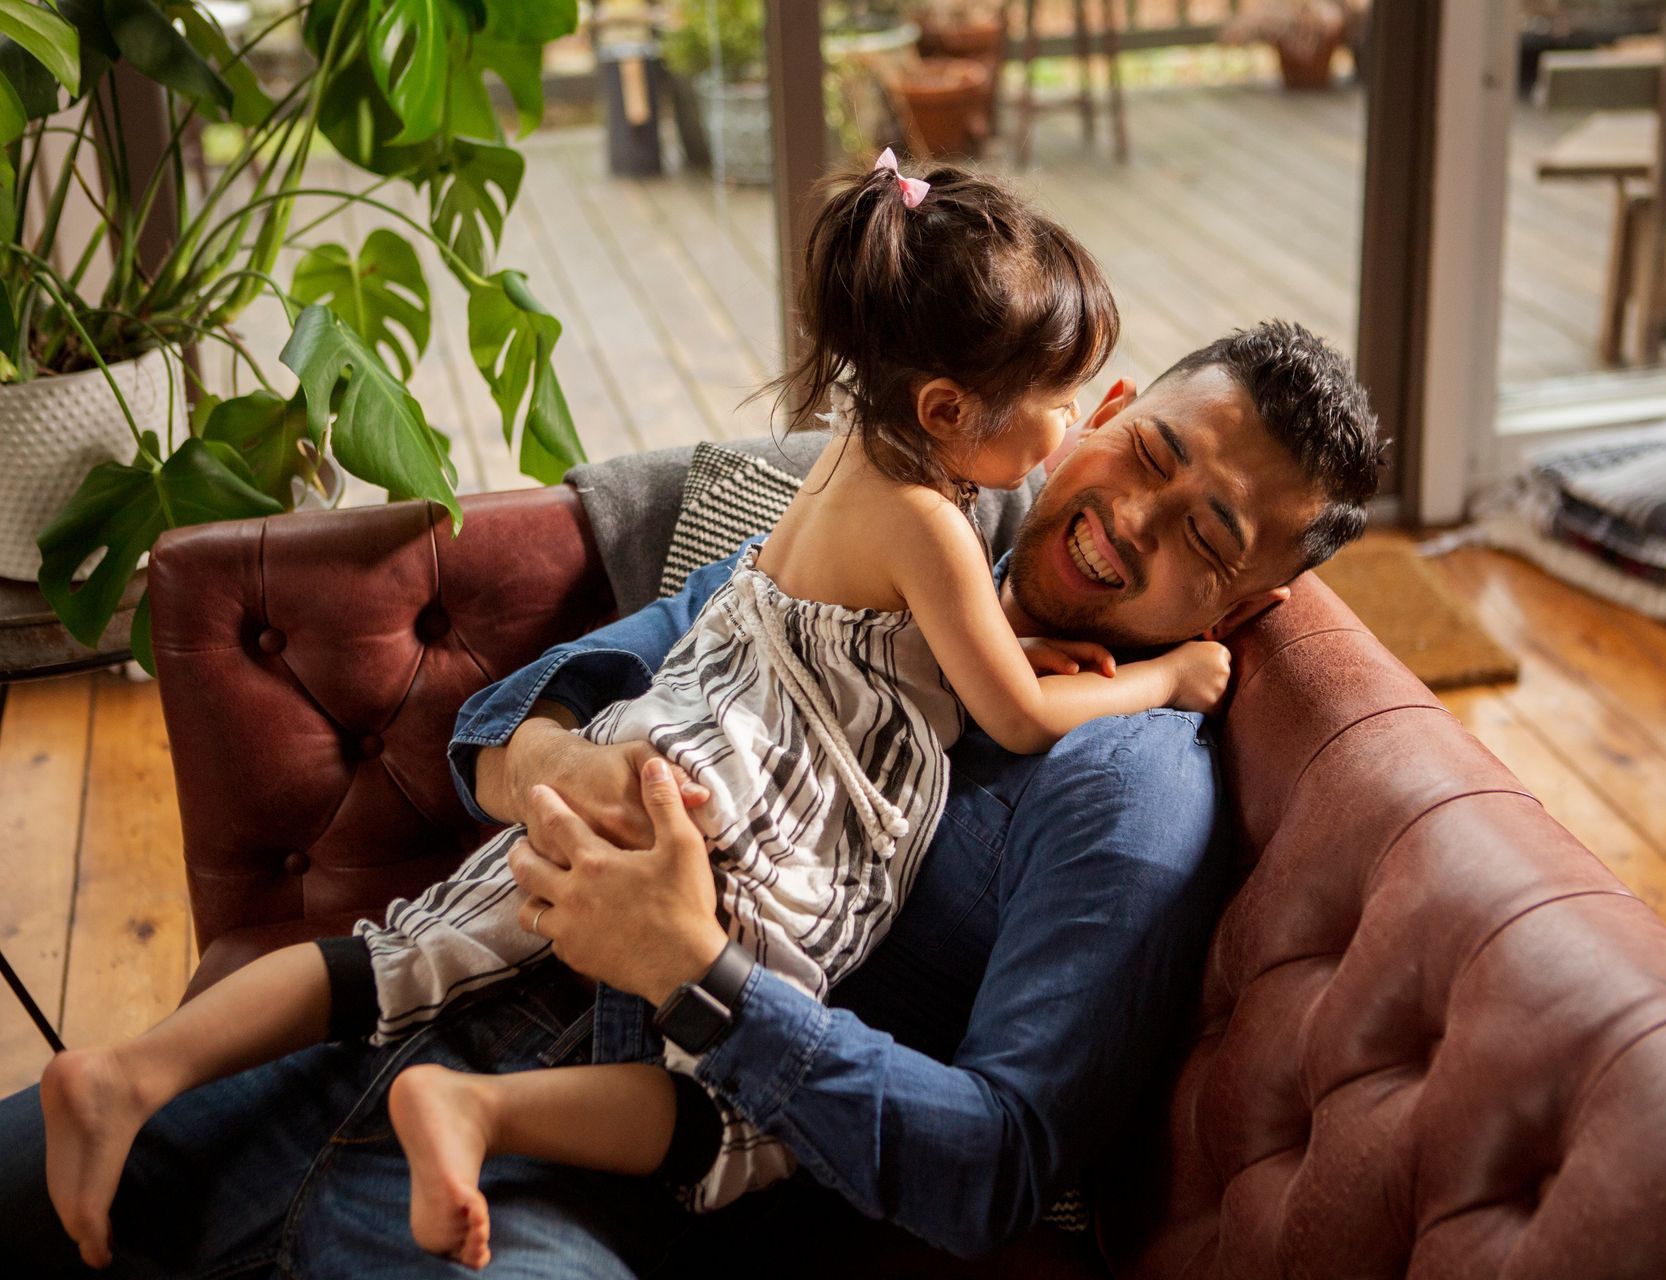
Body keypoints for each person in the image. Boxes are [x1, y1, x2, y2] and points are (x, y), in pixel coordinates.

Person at [32, 150, 1235, 1271]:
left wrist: (680, 941)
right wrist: (1164, 676)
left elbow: (995, 1155)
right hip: (718, 815)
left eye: (1207, 533)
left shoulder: (845, 480)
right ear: (945, 411)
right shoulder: (938, 532)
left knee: (389, 952)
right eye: (1086, 412)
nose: (1079, 432)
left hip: (651, 832)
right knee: (712, 1102)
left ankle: (138, 1070)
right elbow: (1016, 709)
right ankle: (460, 1103)